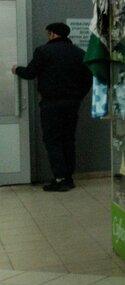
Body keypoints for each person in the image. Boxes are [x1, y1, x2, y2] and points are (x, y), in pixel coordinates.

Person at [11, 22, 92, 191]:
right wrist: (77, 97)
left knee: (53, 141)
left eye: (48, 33)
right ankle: (68, 178)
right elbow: (88, 79)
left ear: (53, 34)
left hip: (51, 104)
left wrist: (17, 69)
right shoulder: (79, 53)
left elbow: (30, 73)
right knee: (68, 140)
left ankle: (60, 179)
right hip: (72, 105)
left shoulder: (43, 51)